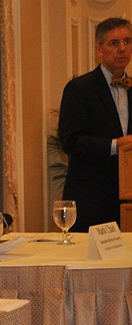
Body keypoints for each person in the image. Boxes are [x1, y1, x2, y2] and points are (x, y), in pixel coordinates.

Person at [59, 17, 132, 231]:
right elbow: (71, 142)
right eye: (114, 43)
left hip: (128, 202)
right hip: (92, 202)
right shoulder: (79, 88)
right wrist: (116, 145)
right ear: (99, 49)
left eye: (127, 41)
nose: (122, 49)